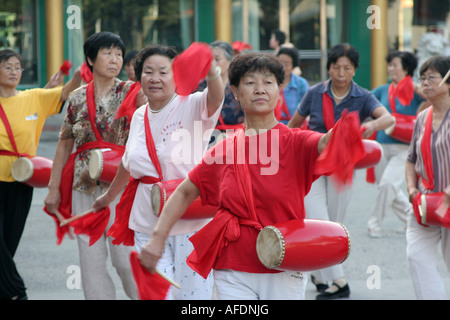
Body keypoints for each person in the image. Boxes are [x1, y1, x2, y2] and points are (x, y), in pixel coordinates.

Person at [137, 52, 338, 300]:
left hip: (283, 265)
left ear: (279, 90)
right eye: (250, 83)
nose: (260, 89)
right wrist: (157, 239)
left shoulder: (297, 141)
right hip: (233, 268)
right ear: (235, 91)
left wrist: (345, 130)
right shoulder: (222, 150)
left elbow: (326, 143)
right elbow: (185, 191)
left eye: (268, 82)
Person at [93, 44, 224, 299]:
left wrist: (211, 69)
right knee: (155, 294)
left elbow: (216, 96)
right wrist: (109, 197)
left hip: (190, 218)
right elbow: (129, 162)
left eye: (163, 72)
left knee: (192, 297)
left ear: (176, 76)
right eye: (148, 71)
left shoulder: (193, 106)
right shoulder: (140, 114)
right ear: (138, 76)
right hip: (146, 216)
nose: (155, 78)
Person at [44, 32, 145, 300]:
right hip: (83, 186)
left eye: (119, 54)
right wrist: (54, 190)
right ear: (90, 58)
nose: (115, 59)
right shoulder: (76, 98)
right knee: (90, 262)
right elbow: (64, 145)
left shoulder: (133, 91)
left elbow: (157, 107)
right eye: (107, 53)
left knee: (125, 259)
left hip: (121, 185)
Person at [287, 43, 394, 299]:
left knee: (333, 225)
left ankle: (319, 273)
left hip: (342, 168)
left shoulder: (362, 96)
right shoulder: (315, 93)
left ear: (355, 70)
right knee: (319, 221)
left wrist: (370, 126)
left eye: (347, 67)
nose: (341, 72)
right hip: (312, 165)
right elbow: (293, 125)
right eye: (336, 67)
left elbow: (388, 119)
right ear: (329, 68)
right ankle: (340, 282)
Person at [0, 49, 81, 300]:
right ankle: (16, 293)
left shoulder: (34, 97)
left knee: (9, 244)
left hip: (22, 180)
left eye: (17, 67)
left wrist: (81, 72)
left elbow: (67, 91)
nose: (13, 71)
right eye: (7, 66)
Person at [367, 51, 425, 238]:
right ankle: (412, 217)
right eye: (389, 64)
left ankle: (374, 223)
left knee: (387, 185)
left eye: (395, 65)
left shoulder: (415, 90)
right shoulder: (382, 90)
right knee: (387, 187)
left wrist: (420, 87)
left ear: (406, 68)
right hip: (381, 145)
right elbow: (364, 101)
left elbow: (434, 99)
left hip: (405, 148)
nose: (391, 68)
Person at [405, 55, 450, 300]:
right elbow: (411, 158)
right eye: (422, 78)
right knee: (417, 257)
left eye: (431, 77)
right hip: (423, 202)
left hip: (449, 204)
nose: (425, 83)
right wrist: (412, 190)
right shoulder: (423, 116)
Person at [196, 41, 244, 132]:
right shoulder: (200, 86)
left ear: (230, 61)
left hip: (236, 137)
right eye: (209, 60)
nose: (212, 64)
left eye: (217, 59)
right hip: (207, 138)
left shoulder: (240, 86)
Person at [276, 47, 309, 124]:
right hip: (272, 129)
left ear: (293, 66)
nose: (282, 67)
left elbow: (309, 109)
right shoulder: (269, 82)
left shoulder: (301, 84)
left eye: (287, 64)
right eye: (280, 63)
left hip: (294, 129)